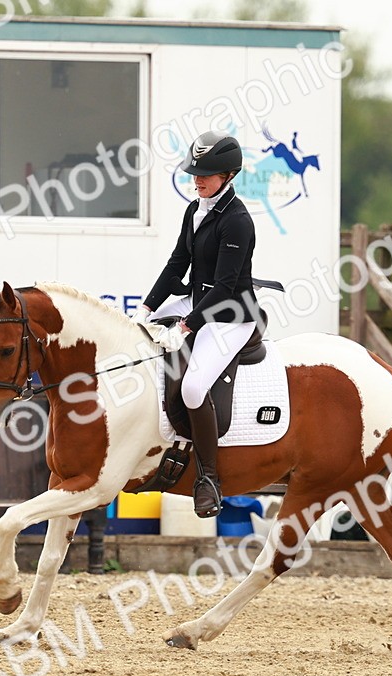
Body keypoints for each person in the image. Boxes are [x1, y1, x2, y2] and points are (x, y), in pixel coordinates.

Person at [132, 131, 262, 518]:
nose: (198, 180)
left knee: (191, 387)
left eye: (206, 174)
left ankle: (209, 478)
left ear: (229, 174)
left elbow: (224, 287)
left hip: (230, 314)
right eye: (195, 173)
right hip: (196, 301)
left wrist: (186, 327)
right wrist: (146, 307)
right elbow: (177, 263)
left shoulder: (237, 221)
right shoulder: (195, 209)